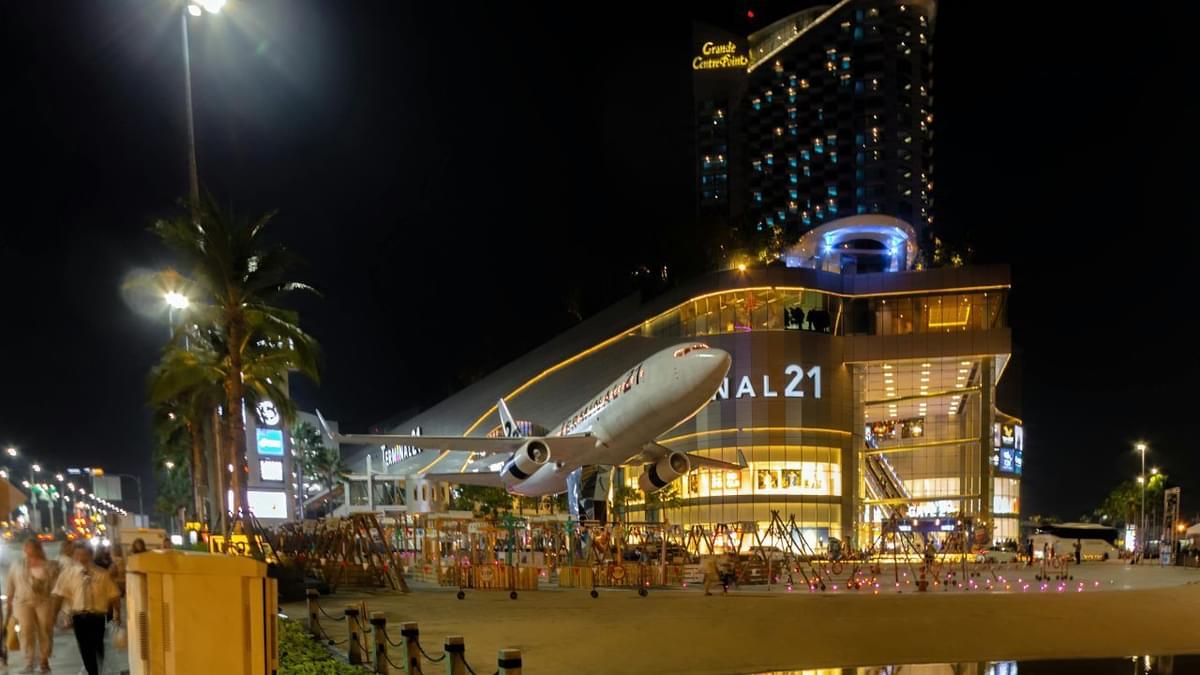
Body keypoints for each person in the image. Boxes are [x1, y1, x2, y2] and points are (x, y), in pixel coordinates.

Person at [52, 546, 121, 675]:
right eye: (78, 555)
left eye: (85, 555)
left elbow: (114, 595)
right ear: (74, 556)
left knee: (98, 646)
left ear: (91, 556)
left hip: (98, 616)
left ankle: (98, 668)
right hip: (79, 616)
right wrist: (55, 615)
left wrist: (117, 614)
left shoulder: (102, 574)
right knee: (85, 648)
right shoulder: (68, 574)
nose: (82, 558)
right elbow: (59, 595)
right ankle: (93, 671)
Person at [5, 539, 60, 673]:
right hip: (22, 602)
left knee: (45, 630)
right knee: (26, 630)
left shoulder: (49, 565)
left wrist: (58, 605)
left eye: (30, 547)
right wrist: (9, 601)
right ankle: (29, 660)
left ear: (37, 549)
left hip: (44, 601)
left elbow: (56, 586)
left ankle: (44, 660)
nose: (27, 550)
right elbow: (11, 583)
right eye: (26, 547)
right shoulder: (17, 565)